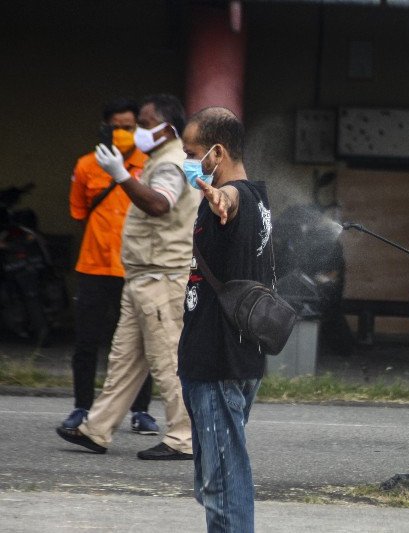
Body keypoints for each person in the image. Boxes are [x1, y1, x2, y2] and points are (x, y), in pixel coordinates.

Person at [56, 94, 198, 459]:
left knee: (168, 361)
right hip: (144, 276)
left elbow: (159, 204)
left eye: (144, 125)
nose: (137, 132)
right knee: (124, 361)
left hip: (161, 278)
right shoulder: (159, 159)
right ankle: (97, 430)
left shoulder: (171, 163)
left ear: (167, 129)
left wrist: (119, 175)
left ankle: (184, 438)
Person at [177, 107, 272, 532]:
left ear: (217, 152)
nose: (187, 162)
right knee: (218, 482)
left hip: (219, 360)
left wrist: (220, 198)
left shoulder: (235, 197)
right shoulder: (260, 197)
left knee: (223, 488)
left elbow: (228, 203)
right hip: (232, 357)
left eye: (191, 153)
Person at [63, 98, 158, 435]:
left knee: (141, 344)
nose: (123, 133)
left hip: (136, 267)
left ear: (139, 129)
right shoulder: (87, 165)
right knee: (86, 342)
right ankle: (81, 408)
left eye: (129, 127)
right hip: (93, 267)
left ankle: (141, 411)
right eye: (117, 127)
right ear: (106, 128)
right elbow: (78, 211)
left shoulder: (151, 165)